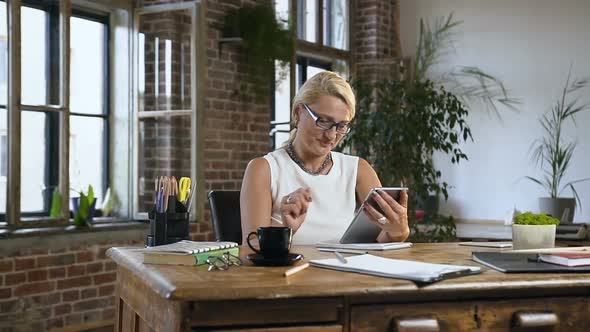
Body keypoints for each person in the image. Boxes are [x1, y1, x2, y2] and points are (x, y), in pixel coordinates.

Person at [240, 71, 409, 245]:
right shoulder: (264, 169)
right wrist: (286, 232)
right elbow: (249, 250)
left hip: (348, 271)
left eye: (341, 125)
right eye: (323, 121)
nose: (331, 135)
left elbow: (377, 242)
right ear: (298, 113)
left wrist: (398, 233)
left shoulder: (358, 170)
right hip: (290, 273)